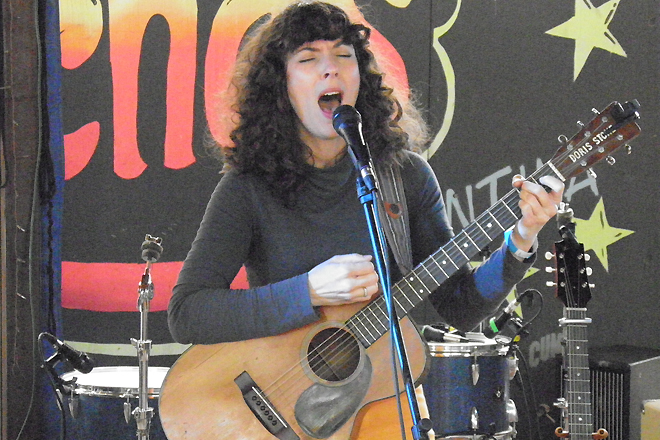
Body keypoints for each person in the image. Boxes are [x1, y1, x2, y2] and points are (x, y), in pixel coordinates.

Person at [167, 1, 563, 438]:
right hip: (272, 405)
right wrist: (308, 290)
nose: (330, 69)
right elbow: (188, 312)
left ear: (361, 77)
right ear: (281, 86)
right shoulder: (247, 187)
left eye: (343, 55)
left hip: (381, 409)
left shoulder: (404, 176)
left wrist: (520, 239)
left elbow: (460, 306)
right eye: (308, 59)